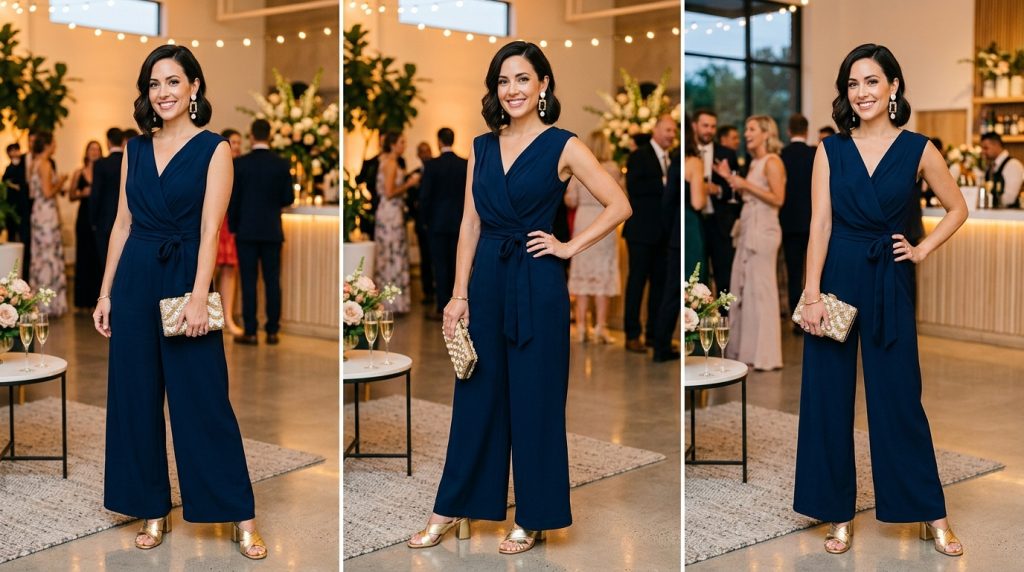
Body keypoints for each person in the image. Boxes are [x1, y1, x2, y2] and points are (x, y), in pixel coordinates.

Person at [408, 41, 631, 554]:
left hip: (538, 282)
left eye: (523, 79)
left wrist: (569, 246)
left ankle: (533, 516)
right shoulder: (482, 147)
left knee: (536, 402)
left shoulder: (565, 145)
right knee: (476, 397)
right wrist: (458, 294)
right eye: (504, 81)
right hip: (485, 279)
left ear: (543, 85)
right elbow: (469, 222)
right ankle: (451, 506)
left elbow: (619, 204)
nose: (512, 89)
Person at [92, 45, 267, 560]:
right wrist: (104, 292)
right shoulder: (135, 150)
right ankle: (152, 507)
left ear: (194, 87)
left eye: (173, 82)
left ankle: (240, 513)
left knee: (203, 398)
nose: (163, 93)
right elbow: (122, 225)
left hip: (185, 273)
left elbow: (212, 229)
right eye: (154, 84)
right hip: (134, 279)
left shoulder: (215, 148)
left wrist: (198, 295)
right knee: (136, 399)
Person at [793, 43, 968, 558]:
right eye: (853, 83)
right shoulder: (831, 150)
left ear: (893, 87)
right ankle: (837, 513)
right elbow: (819, 225)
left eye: (872, 81)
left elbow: (956, 208)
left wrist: (921, 249)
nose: (862, 92)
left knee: (898, 399)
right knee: (827, 398)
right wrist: (810, 294)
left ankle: (930, 511)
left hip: (888, 278)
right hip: (836, 279)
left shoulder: (919, 149)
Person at [716, 116, 785, 370]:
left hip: (764, 231)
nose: (746, 134)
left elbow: (778, 198)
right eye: (746, 130)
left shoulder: (772, 161)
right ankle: (748, 352)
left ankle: (767, 356)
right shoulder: (755, 162)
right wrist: (729, 178)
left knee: (762, 292)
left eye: (751, 130)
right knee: (746, 291)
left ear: (766, 133)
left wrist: (743, 183)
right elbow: (750, 193)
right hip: (748, 227)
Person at [228, 119, 294, 345]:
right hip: (272, 231)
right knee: (272, 281)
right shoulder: (282, 164)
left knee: (249, 282)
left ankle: (251, 331)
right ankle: (273, 331)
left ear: (251, 136)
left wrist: (233, 226)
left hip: (246, 231)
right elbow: (288, 198)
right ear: (270, 136)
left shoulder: (241, 164)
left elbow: (233, 200)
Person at [622, 113, 677, 353]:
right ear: (655, 130)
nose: (671, 135)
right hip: (641, 232)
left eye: (674, 131)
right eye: (667, 130)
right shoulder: (639, 155)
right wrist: (664, 182)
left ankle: (653, 335)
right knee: (636, 283)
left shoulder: (673, 158)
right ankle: (632, 334)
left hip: (664, 233)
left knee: (659, 285)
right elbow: (634, 187)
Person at [564, 130, 622, 344]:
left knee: (582, 273)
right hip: (604, 218)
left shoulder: (578, 165)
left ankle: (580, 328)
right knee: (602, 274)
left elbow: (570, 200)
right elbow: (620, 196)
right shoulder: (613, 169)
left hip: (583, 218)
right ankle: (601, 327)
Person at [419, 127, 468, 318]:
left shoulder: (432, 165)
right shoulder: (464, 164)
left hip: (437, 223)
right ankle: (456, 304)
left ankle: (441, 306)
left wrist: (423, 221)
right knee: (457, 265)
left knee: (439, 265)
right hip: (459, 222)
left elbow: (425, 196)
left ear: (439, 141)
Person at [693, 110, 740, 297]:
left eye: (713, 126)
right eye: (705, 126)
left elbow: (735, 190)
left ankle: (724, 321)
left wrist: (718, 190)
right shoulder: (688, 153)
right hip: (695, 222)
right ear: (695, 126)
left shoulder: (727, 153)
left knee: (724, 275)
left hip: (719, 222)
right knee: (698, 274)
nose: (709, 130)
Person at [374, 131, 419, 313]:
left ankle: (392, 300)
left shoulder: (387, 161)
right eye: (401, 142)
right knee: (391, 254)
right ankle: (391, 303)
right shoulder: (391, 163)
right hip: (390, 213)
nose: (404, 146)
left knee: (392, 254)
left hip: (391, 211)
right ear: (393, 144)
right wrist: (410, 184)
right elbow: (389, 191)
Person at [779, 114, 816, 323]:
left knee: (793, 274)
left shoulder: (781, 155)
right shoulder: (815, 154)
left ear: (789, 131)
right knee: (814, 272)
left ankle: (797, 319)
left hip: (789, 223)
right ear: (807, 131)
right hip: (813, 223)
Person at [28, 132, 68, 317]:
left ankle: (41, 301)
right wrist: (60, 182)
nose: (56, 146)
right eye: (54, 143)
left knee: (41, 257)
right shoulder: (44, 164)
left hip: (38, 213)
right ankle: (48, 305)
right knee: (48, 257)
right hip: (46, 215)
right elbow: (47, 192)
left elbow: (33, 192)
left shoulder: (33, 163)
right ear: (47, 145)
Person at [652, 148, 682, 362]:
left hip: (675, 235)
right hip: (678, 237)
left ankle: (662, 344)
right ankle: (661, 345)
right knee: (673, 293)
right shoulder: (682, 157)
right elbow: (669, 200)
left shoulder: (679, 157)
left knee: (672, 292)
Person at [215, 128, 245, 337]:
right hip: (216, 222)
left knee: (229, 270)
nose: (236, 146)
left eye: (238, 143)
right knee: (211, 270)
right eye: (233, 142)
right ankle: (212, 316)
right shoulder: (216, 162)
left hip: (233, 224)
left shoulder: (243, 166)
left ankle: (228, 317)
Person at [69, 140, 103, 311]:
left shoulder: (104, 171)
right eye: (92, 149)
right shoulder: (79, 172)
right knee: (83, 256)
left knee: (97, 257)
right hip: (83, 217)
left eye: (97, 149)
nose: (94, 152)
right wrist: (82, 193)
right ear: (87, 152)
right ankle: (83, 301)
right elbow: (71, 195)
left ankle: (98, 299)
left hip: (99, 217)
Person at [90, 128, 125, 273]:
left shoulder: (101, 163)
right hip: (127, 219)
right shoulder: (128, 159)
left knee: (106, 263)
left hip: (105, 220)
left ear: (108, 142)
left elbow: (95, 194)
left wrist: (92, 220)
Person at [408, 141, 436, 308]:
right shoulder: (414, 175)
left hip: (437, 223)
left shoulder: (439, 171)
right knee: (425, 259)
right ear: (418, 155)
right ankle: (427, 292)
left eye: (427, 151)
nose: (425, 154)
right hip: (422, 224)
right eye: (422, 151)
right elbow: (410, 200)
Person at [682, 116, 707, 283]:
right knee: (693, 277)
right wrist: (705, 188)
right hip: (690, 224)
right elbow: (698, 202)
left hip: (674, 226)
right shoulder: (694, 162)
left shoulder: (673, 160)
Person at [980, 132, 1024, 208]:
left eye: (986, 148)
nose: (983, 152)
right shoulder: (990, 167)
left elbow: (1010, 199)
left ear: (996, 145)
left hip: (1010, 216)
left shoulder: (1013, 165)